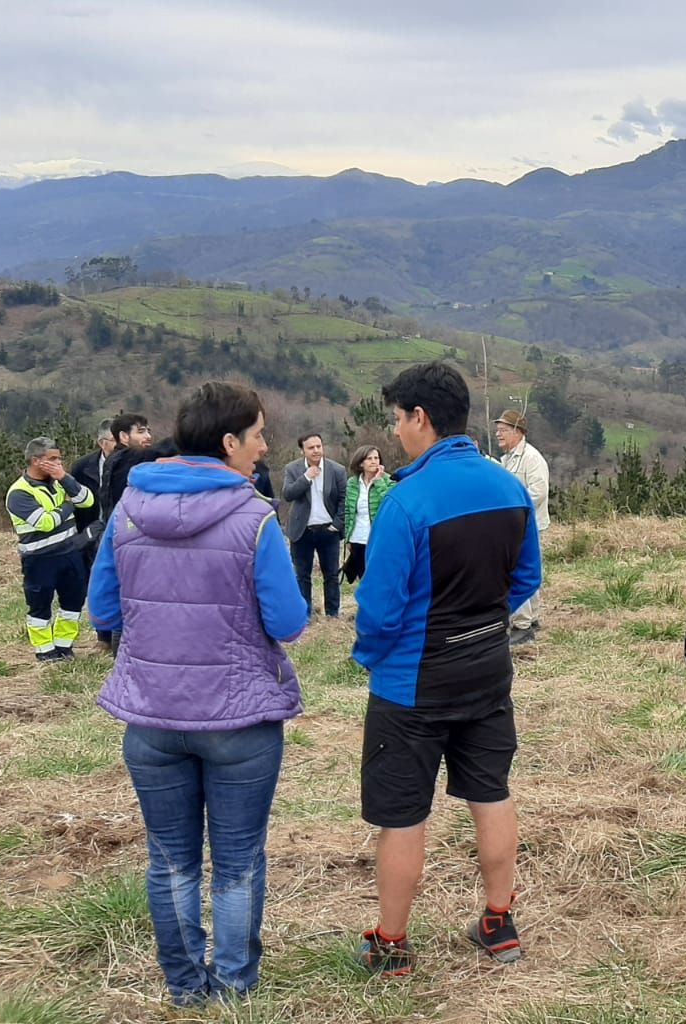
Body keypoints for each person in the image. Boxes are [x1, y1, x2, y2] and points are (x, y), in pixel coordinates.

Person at [88, 381, 308, 1005]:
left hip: (151, 719)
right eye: (260, 435)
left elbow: (103, 608)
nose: (265, 448)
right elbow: (288, 622)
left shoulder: (128, 511)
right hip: (239, 722)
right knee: (237, 862)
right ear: (230, 442)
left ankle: (185, 988)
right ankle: (234, 984)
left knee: (170, 861)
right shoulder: (254, 518)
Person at [353, 361, 540, 976]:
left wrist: (371, 656)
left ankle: (392, 942)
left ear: (420, 418)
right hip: (488, 669)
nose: (396, 430)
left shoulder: (406, 501)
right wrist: (481, 621)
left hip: (411, 681)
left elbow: (378, 609)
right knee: (491, 794)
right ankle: (498, 920)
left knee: (402, 814)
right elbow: (526, 578)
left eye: (398, 418)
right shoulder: (507, 487)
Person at [6, 436, 95, 661]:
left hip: (70, 554)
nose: (58, 463)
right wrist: (67, 504)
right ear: (36, 461)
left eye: (59, 459)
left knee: (73, 603)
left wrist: (64, 477)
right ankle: (45, 651)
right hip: (39, 559)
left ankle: (64, 647)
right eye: (52, 459)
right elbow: (45, 523)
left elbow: (87, 500)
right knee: (39, 606)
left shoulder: (59, 481)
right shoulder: (19, 492)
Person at [494, 408, 549, 647]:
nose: (498, 434)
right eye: (498, 430)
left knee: (518, 574)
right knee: (527, 571)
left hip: (526, 525)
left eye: (503, 430)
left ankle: (522, 626)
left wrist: (512, 508)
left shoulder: (531, 458)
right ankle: (532, 619)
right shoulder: (507, 459)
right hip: (516, 526)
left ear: (518, 432)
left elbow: (538, 491)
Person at [281, 432, 347, 617]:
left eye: (319, 446)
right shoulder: (292, 469)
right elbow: (288, 494)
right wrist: (307, 477)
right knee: (302, 576)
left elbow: (344, 500)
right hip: (302, 531)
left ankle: (333, 614)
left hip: (328, 530)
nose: (316, 450)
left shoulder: (337, 470)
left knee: (331, 575)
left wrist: (337, 525)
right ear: (302, 450)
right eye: (311, 447)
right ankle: (305, 615)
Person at [69, 419, 116, 648]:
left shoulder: (134, 463)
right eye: (114, 440)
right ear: (101, 443)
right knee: (96, 582)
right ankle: (103, 637)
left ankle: (118, 635)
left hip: (120, 530)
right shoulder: (82, 467)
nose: (119, 444)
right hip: (90, 531)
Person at [341, 444, 394, 585]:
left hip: (378, 538)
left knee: (378, 579)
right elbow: (348, 511)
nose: (374, 461)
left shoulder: (389, 480)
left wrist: (379, 482)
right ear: (360, 463)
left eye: (376, 458)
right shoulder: (352, 483)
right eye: (369, 458)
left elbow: (390, 504)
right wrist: (347, 538)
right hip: (357, 538)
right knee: (363, 580)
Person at [100, 410, 155, 521]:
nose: (148, 436)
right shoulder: (124, 458)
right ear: (124, 436)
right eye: (141, 432)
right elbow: (162, 449)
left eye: (148, 431)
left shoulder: (116, 458)